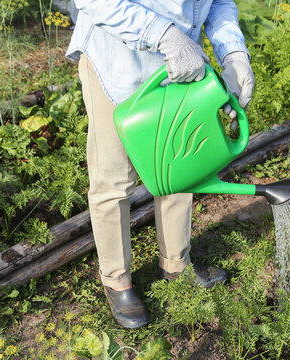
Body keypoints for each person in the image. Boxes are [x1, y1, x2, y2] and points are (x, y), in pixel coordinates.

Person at [66, 0, 255, 328]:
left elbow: (220, 2)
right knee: (113, 180)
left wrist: (233, 52)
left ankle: (175, 263)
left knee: (178, 161)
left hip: (181, 62)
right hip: (118, 58)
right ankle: (116, 281)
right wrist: (166, 36)